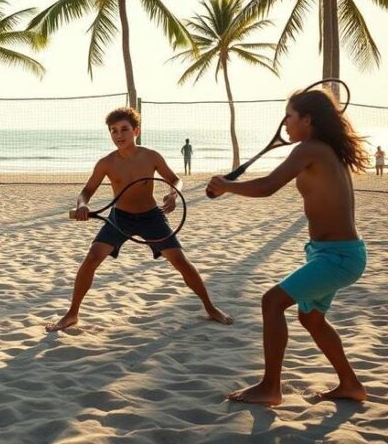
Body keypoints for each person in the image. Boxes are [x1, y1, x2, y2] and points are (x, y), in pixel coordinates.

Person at [208, 88, 369, 405]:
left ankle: (270, 388)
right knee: (310, 319)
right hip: (330, 253)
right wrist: (229, 186)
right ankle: (351, 384)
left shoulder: (311, 148)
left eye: (289, 116)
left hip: (338, 257)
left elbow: (269, 187)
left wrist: (228, 186)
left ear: (307, 120)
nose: (285, 124)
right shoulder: (322, 149)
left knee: (272, 302)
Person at [46, 107, 233, 333]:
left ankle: (210, 307)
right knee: (92, 258)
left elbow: (176, 179)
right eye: (113, 131)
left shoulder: (151, 156)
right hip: (120, 218)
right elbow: (85, 192)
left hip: (151, 217)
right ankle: (72, 313)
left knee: (180, 261)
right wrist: (82, 205)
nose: (119, 135)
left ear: (136, 130)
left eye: (124, 129)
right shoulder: (106, 162)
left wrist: (174, 194)